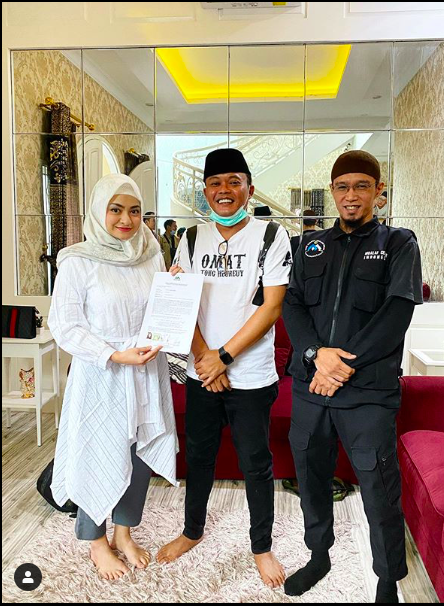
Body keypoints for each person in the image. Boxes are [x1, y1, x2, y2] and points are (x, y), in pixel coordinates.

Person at [283, 150, 423, 603]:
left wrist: (339, 366)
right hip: (311, 388)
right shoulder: (310, 245)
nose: (351, 195)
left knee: (379, 489)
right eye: (342, 187)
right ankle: (318, 556)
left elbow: (396, 314)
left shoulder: (399, 244)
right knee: (311, 480)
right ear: (332, 191)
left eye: (362, 186)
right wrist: (315, 355)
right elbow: (293, 305)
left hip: (366, 393)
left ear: (378, 192)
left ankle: (387, 580)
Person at [156, 148, 292, 589]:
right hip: (203, 373)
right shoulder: (192, 238)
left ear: (250, 189)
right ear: (205, 191)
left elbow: (271, 308)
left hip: (251, 376)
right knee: (198, 457)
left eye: (234, 181)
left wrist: (224, 358)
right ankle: (192, 531)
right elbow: (182, 303)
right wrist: (205, 360)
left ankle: (261, 546)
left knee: (256, 462)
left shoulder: (271, 235)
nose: (224, 190)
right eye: (215, 183)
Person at [47, 173, 178, 580]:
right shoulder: (77, 261)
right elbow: (64, 325)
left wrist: (173, 289)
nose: (126, 219)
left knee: (138, 453)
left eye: (135, 211)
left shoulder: (150, 254)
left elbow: (156, 310)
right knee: (97, 452)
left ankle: (123, 532)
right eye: (116, 209)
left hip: (146, 369)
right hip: (101, 374)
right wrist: (114, 354)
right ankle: (96, 541)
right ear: (98, 210)